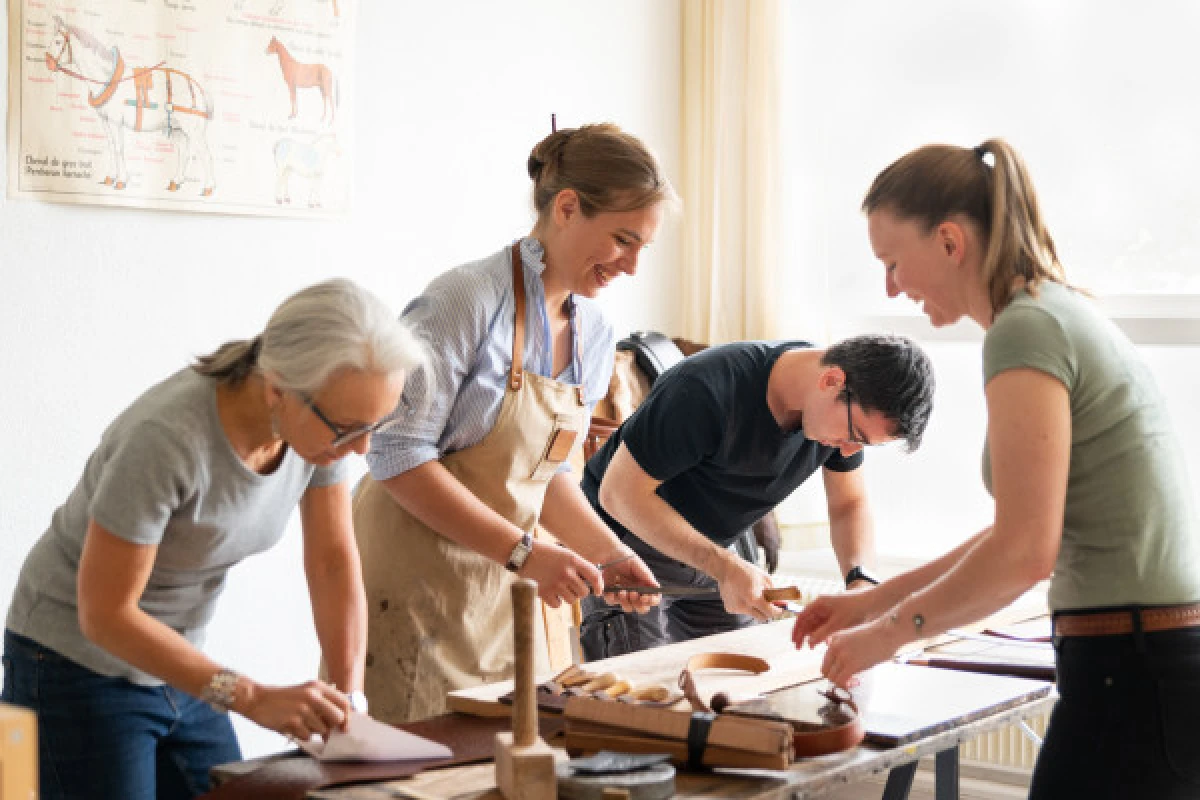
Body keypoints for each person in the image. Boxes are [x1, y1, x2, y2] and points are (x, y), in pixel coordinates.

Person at [792, 139, 1200, 798]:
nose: (891, 286)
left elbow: (1022, 553)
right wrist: (872, 602)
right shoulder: (1055, 312)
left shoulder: (1026, 330)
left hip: (1133, 669)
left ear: (950, 241)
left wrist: (889, 636)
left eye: (893, 261)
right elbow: (1019, 530)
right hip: (1146, 662)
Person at [1, 279, 424, 800]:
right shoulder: (165, 438)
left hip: (176, 656)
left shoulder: (316, 436)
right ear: (277, 387)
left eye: (375, 426)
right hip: (72, 659)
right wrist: (249, 697)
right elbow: (105, 613)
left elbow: (333, 562)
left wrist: (350, 702)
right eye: (346, 429)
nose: (361, 449)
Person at [354, 122, 673, 724]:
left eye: (643, 248)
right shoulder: (464, 301)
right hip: (414, 580)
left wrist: (607, 553)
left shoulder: (595, 335)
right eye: (622, 240)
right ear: (568, 208)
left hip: (501, 586)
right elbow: (396, 454)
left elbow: (544, 474)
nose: (631, 265)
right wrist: (526, 554)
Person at [579, 334, 934, 659]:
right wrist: (725, 566)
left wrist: (861, 583)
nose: (848, 449)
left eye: (862, 444)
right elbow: (619, 495)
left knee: (739, 680)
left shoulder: (837, 412)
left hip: (709, 549)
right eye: (853, 434)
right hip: (625, 543)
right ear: (832, 381)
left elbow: (849, 504)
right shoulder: (705, 388)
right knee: (643, 702)